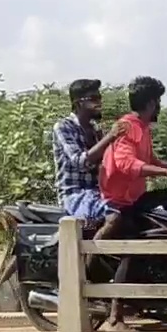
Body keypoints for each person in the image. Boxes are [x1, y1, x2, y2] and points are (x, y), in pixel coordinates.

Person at [97, 75, 167, 329]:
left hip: (134, 198)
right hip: (119, 201)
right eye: (158, 101)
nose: (159, 106)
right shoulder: (128, 127)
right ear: (150, 103)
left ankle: (152, 304)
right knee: (135, 250)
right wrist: (165, 173)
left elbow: (151, 159)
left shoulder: (143, 127)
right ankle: (115, 317)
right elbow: (127, 164)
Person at [51, 78, 126, 234]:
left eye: (99, 98)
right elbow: (80, 161)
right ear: (79, 103)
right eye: (93, 99)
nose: (99, 103)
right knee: (114, 216)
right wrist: (110, 137)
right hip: (75, 194)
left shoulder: (94, 131)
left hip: (97, 193)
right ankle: (88, 257)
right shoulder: (64, 127)